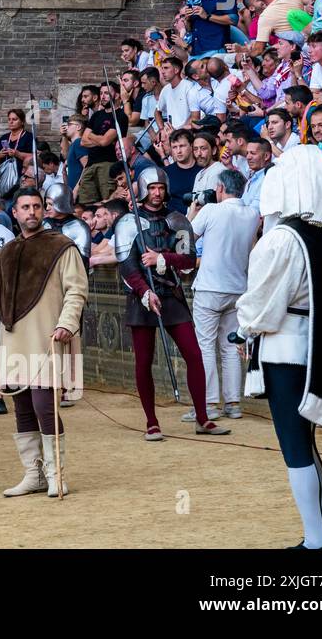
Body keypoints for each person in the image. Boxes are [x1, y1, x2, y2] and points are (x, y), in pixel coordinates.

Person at [235, 146, 322, 548]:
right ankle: (318, 536)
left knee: (295, 447)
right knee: (306, 445)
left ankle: (316, 541)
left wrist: (244, 331)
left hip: (285, 352)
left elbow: (260, 304)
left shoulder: (282, 239)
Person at [116, 168, 229, 439]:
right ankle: (151, 422)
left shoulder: (177, 220)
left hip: (172, 295)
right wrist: (144, 291)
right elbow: (128, 266)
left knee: (194, 354)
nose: (157, 193)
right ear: (143, 189)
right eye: (152, 188)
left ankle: (203, 417)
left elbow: (188, 259)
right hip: (142, 298)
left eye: (160, 188)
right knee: (143, 362)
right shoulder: (127, 223)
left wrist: (161, 259)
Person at [0, 188, 86, 498]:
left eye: (36, 206)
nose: (31, 212)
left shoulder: (62, 247)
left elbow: (76, 290)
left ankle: (56, 475)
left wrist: (66, 323)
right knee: (22, 408)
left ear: (43, 211)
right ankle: (33, 474)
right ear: (15, 213)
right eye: (25, 207)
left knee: (44, 406)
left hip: (48, 337)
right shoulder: (4, 253)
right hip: (14, 341)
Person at [186, 169, 259, 423]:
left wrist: (192, 213)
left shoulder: (211, 211)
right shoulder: (251, 214)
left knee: (205, 346)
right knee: (230, 346)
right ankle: (233, 403)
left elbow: (186, 239)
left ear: (220, 189)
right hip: (238, 286)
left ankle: (209, 404)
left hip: (210, 286)